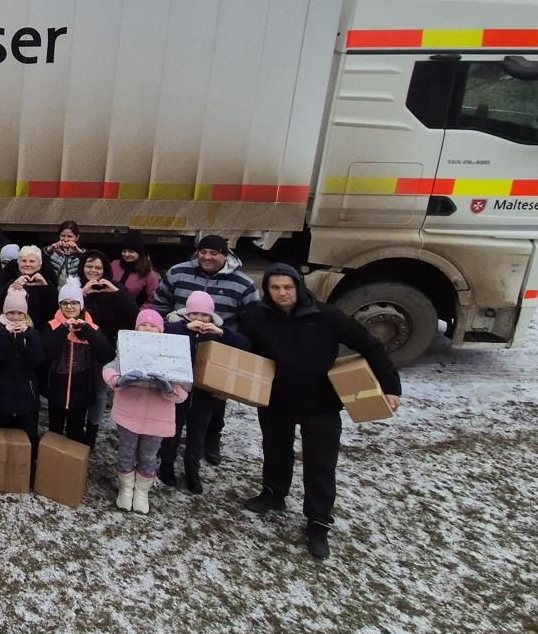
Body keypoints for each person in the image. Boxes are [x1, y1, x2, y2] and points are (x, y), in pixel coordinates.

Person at [237, 264, 402, 561]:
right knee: (275, 450)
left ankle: (318, 523)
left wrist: (391, 387)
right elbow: (235, 343)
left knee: (320, 464)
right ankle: (274, 494)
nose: (282, 293)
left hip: (321, 404)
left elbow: (370, 346)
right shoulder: (256, 317)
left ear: (299, 286)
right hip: (277, 400)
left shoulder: (327, 316)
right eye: (275, 288)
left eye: (288, 287)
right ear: (267, 290)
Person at [152, 235, 260, 466]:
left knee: (214, 400)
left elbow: (252, 321)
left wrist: (228, 336)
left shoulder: (243, 284)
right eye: (203, 252)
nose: (207, 257)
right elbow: (160, 302)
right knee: (174, 397)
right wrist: (169, 326)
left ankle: (211, 439)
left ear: (225, 255)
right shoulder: (178, 272)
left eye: (214, 253)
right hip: (180, 346)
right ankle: (167, 444)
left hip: (218, 349)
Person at [159, 290, 248, 494]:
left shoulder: (218, 333)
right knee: (171, 431)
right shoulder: (177, 327)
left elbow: (244, 345)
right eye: (195, 315)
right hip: (178, 390)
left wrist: (222, 333)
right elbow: (160, 332)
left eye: (204, 315)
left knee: (197, 435)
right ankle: (166, 467)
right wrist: (185, 327)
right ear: (187, 315)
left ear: (211, 317)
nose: (199, 319)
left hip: (204, 395)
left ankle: (192, 472)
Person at [102, 310, 190, 515]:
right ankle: (125, 489)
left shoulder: (171, 354)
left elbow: (183, 392)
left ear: (161, 330)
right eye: (143, 325)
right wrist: (118, 381)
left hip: (157, 418)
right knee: (126, 450)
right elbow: (109, 369)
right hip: (128, 412)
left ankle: (141, 492)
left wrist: (169, 389)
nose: (148, 329)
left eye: (153, 326)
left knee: (149, 455)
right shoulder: (127, 349)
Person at [42, 279, 114, 445]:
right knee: (55, 428)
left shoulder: (92, 328)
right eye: (64, 303)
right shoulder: (52, 325)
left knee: (75, 430)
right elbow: (46, 352)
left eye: (74, 303)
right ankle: (51, 462)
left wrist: (87, 330)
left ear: (81, 304)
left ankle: (74, 465)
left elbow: (107, 354)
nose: (69, 307)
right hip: (56, 387)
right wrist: (64, 329)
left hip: (81, 388)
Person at [0, 287, 47, 446]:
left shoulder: (33, 333)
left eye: (20, 313)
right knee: (1, 436)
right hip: (2, 392)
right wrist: (5, 335)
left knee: (29, 435)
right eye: (11, 313)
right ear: (5, 313)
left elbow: (39, 358)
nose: (15, 317)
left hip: (27, 394)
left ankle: (29, 464)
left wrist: (27, 336)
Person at [5, 245, 58, 327]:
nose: (27, 264)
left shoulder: (47, 281)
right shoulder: (9, 277)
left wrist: (46, 286)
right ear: (18, 263)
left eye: (32, 261)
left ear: (39, 265)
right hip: (11, 328)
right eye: (24, 261)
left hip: (39, 331)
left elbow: (54, 310)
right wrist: (11, 285)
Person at [112, 233, 161, 311]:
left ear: (139, 253)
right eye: (124, 251)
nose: (127, 254)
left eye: (131, 251)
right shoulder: (114, 265)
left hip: (134, 314)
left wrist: (138, 313)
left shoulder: (150, 274)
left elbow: (153, 300)